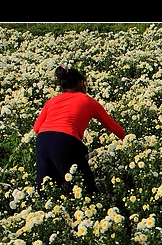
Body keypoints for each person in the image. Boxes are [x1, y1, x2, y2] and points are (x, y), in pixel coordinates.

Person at [33, 64, 125, 197]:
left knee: (47, 190)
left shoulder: (52, 101)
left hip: (42, 141)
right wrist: (127, 140)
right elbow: (115, 128)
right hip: (65, 140)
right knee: (85, 187)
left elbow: (36, 128)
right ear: (81, 83)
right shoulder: (88, 101)